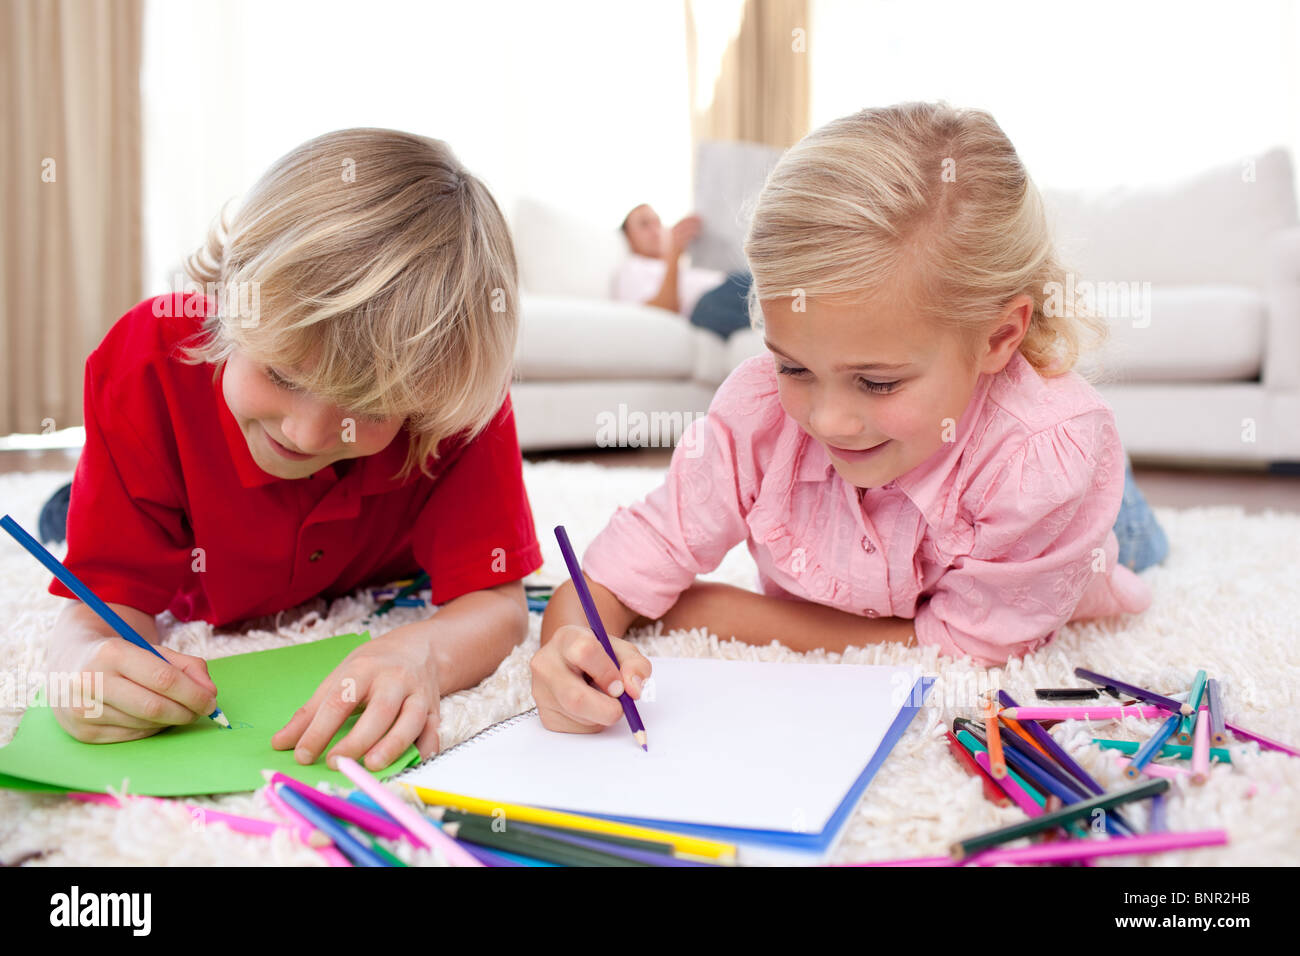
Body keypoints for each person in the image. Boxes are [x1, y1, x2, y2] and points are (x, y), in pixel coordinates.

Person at [532, 102, 1169, 736]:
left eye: (877, 381)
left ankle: (1122, 488)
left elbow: (962, 648)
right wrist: (570, 645)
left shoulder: (1043, 462)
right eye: (794, 369)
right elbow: (617, 572)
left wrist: (714, 610)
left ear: (999, 337)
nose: (830, 422)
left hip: (1089, 521)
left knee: (1135, 536)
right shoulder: (757, 415)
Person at [40, 129, 543, 767]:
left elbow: (499, 604)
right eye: (283, 375)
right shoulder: (147, 363)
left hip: (360, 567)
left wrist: (425, 651)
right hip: (169, 520)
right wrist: (81, 663)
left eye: (368, 410)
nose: (304, 436)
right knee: (62, 520)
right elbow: (102, 605)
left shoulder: (453, 391)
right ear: (228, 298)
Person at [614, 204, 754, 339]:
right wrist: (674, 254)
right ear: (628, 238)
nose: (655, 229)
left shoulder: (674, 265)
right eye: (644, 224)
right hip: (705, 306)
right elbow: (660, 311)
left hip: (730, 283)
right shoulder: (632, 267)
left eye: (657, 222)